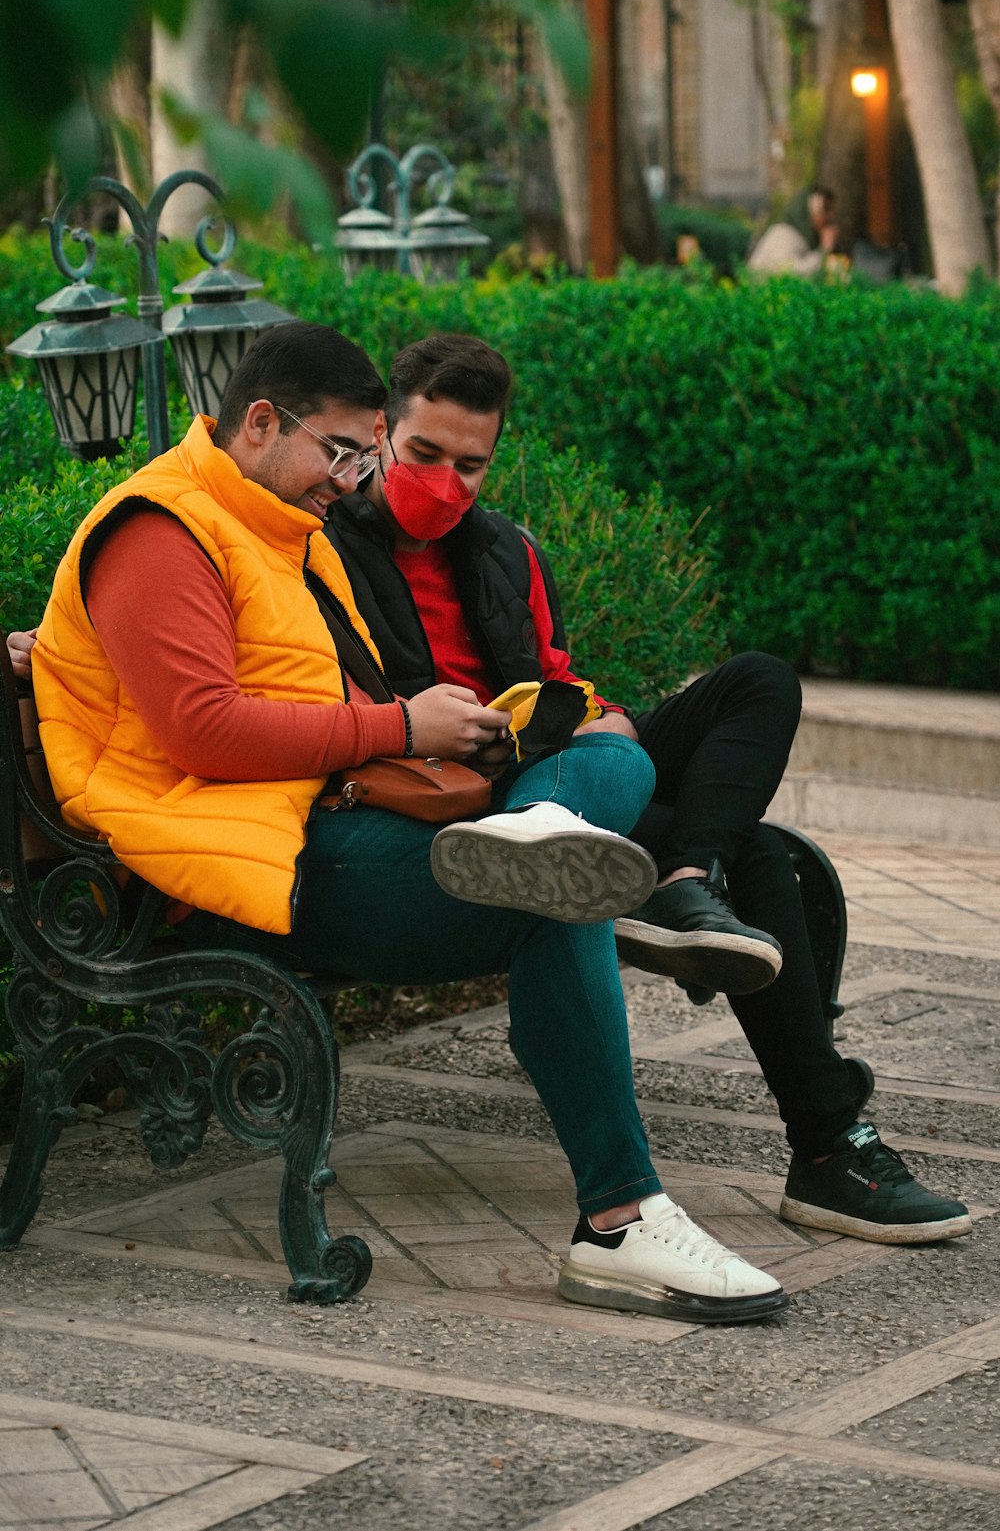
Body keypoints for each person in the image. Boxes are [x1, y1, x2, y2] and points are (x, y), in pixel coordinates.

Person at [24, 321, 789, 1325]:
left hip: (311, 825)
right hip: (231, 865)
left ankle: (539, 838)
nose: (352, 478)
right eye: (343, 451)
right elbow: (201, 729)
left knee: (607, 761)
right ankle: (620, 1220)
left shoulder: (269, 527)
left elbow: (311, 694)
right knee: (555, 899)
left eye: (363, 455)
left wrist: (474, 733)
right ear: (261, 422)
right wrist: (400, 722)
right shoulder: (159, 530)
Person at [321, 331, 970, 1249]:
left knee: (757, 682)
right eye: (425, 455)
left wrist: (601, 715)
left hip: (544, 775)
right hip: (440, 794)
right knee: (764, 853)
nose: (447, 484)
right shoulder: (322, 545)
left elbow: (551, 672)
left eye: (472, 466)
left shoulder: (506, 550)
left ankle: (684, 877)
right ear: (383, 434)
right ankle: (829, 1144)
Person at [747, 184, 839, 277]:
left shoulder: (804, 238)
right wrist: (824, 250)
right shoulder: (782, 234)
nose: (830, 216)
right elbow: (791, 273)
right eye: (825, 210)